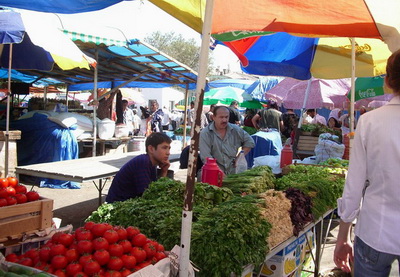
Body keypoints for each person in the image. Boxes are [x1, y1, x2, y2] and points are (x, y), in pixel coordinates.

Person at [333, 50, 400, 276]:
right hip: (374, 231)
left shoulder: (370, 121)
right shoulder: (369, 121)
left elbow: (354, 183)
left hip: (375, 231)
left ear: (388, 81)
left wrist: (343, 236)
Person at [105, 132, 172, 203]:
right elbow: (148, 195)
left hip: (130, 203)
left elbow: (156, 189)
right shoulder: (143, 162)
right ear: (151, 149)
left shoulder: (151, 163)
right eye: (164, 148)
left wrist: (164, 171)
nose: (168, 153)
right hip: (118, 206)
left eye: (169, 148)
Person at [199, 105, 255, 176]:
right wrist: (219, 173)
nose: (224, 120)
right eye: (221, 117)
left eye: (226, 117)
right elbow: (206, 157)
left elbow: (250, 142)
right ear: (213, 117)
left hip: (232, 172)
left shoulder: (236, 130)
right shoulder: (205, 133)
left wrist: (240, 155)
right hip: (212, 173)